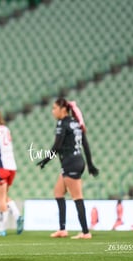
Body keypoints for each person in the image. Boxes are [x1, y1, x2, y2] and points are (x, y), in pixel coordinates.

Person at [37, 98, 99, 239]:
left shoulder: (62, 124)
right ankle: (62, 229)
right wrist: (90, 165)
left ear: (62, 109)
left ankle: (85, 232)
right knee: (58, 192)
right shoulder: (76, 123)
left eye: (54, 108)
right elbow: (85, 145)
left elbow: (57, 146)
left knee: (77, 197)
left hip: (71, 162)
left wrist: (45, 161)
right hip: (76, 161)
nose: (53, 111)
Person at [0, 112, 24, 236]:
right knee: (5, 196)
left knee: (1, 199)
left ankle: (1, 229)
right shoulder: (6, 129)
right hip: (11, 166)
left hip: (1, 166)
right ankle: (17, 215)